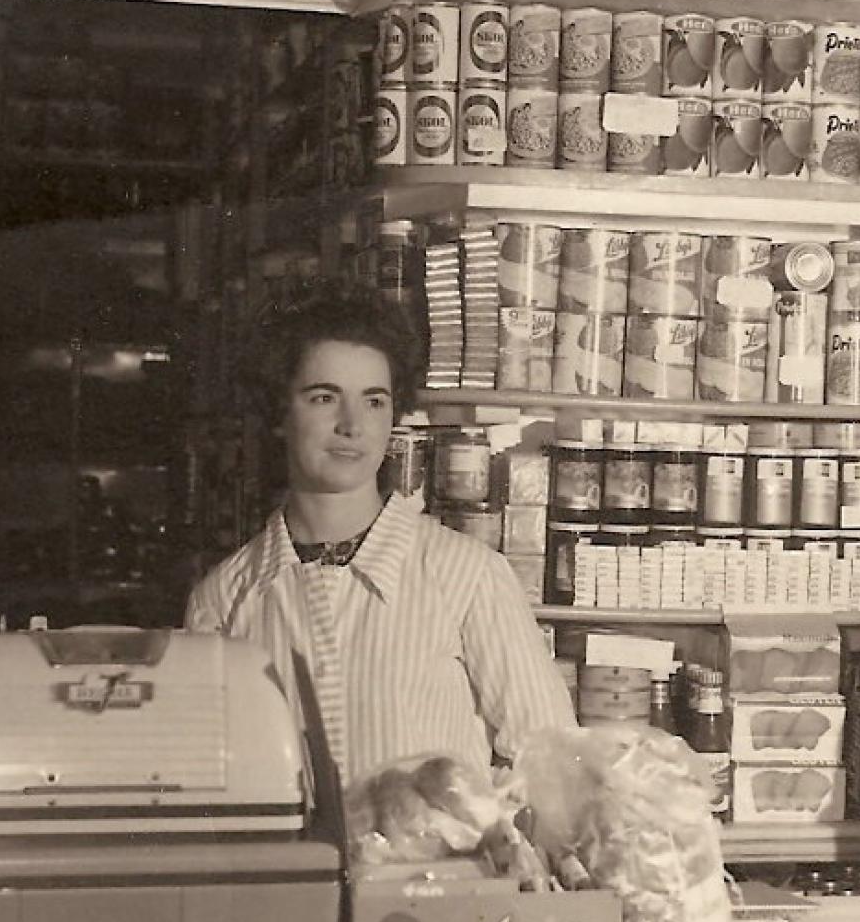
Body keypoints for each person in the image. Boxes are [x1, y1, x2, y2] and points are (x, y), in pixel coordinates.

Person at [185, 289, 574, 816]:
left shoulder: (467, 574)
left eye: (375, 400)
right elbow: (212, 783)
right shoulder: (225, 598)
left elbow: (553, 762)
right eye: (324, 397)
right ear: (279, 412)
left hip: (437, 894)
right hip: (294, 892)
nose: (353, 424)